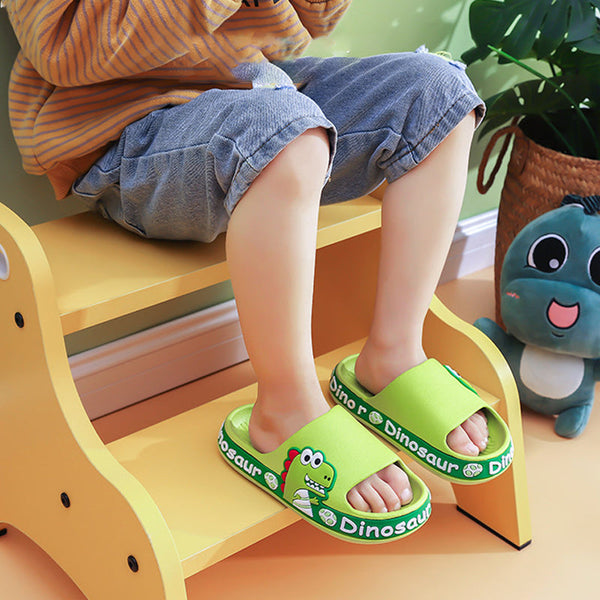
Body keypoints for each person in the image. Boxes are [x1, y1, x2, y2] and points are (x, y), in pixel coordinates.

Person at [6, 0, 512, 542]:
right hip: (126, 136)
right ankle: (284, 408)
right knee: (286, 136)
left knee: (439, 94)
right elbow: (64, 51)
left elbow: (306, 27)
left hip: (254, 89)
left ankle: (393, 354)